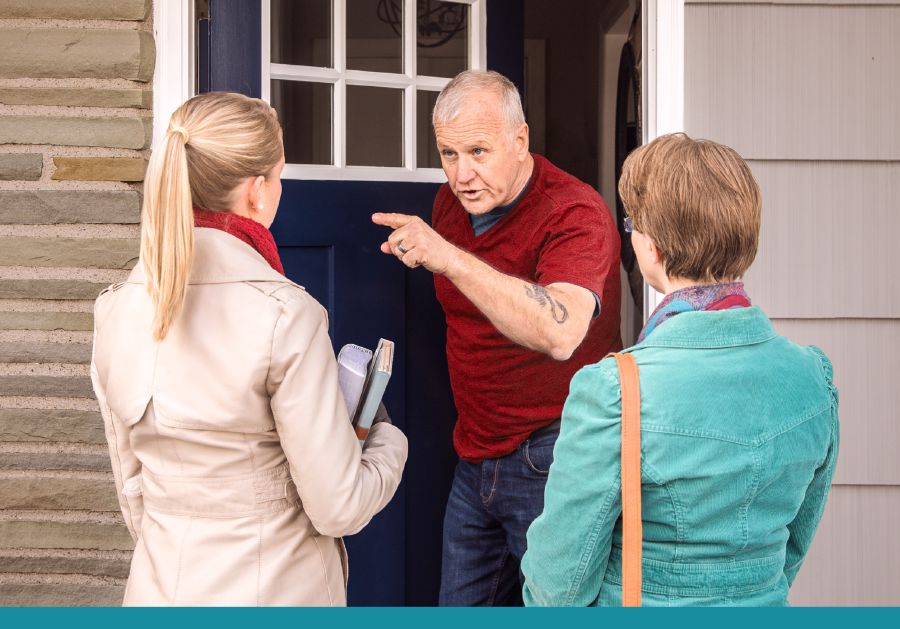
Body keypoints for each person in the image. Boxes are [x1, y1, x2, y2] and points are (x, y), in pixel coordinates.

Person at [90, 92, 408, 606]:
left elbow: (133, 491)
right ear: (257, 191)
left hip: (156, 591)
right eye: (279, 176)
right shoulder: (287, 315)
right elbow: (339, 507)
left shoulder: (114, 309)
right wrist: (389, 439)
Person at [521, 133, 839, 606]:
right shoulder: (813, 378)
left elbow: (557, 589)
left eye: (631, 223)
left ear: (651, 247)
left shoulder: (615, 390)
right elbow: (791, 549)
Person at [372, 70, 621, 606]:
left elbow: (560, 331)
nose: (462, 174)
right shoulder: (450, 207)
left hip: (556, 456)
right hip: (475, 455)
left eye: (479, 152)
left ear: (520, 139)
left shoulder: (574, 212)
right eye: (449, 154)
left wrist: (449, 258)